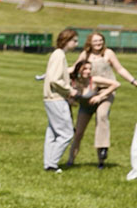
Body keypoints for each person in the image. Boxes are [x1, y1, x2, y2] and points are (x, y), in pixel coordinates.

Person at [73, 32, 137, 171]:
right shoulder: (85, 55)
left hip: (107, 91)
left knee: (102, 116)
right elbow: (75, 69)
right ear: (90, 42)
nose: (98, 43)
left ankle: (102, 151)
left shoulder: (108, 53)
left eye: (100, 40)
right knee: (79, 129)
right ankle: (71, 160)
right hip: (90, 91)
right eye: (95, 41)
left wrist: (133, 81)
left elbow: (120, 69)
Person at [66, 60, 120, 169]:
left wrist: (100, 96)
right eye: (85, 69)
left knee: (100, 121)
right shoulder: (73, 82)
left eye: (90, 69)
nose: (88, 71)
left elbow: (116, 84)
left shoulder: (94, 80)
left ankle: (101, 160)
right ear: (79, 70)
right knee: (78, 133)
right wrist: (70, 100)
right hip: (85, 108)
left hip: (100, 104)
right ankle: (70, 161)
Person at [42, 29, 78, 173]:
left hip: (50, 98)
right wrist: (70, 90)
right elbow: (55, 79)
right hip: (56, 98)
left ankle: (49, 164)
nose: (76, 44)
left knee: (52, 132)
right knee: (66, 133)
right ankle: (52, 163)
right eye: (74, 41)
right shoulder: (59, 55)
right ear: (66, 40)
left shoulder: (57, 54)